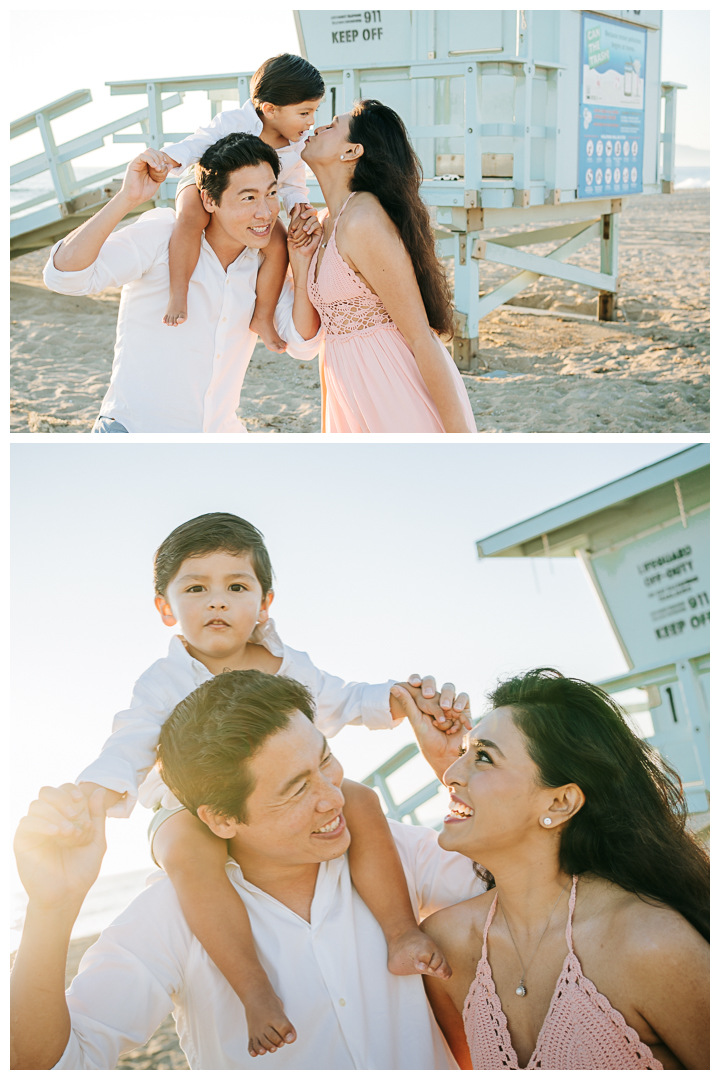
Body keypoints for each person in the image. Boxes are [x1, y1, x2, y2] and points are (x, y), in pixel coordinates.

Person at [72, 510, 470, 1057]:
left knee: (358, 797)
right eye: (196, 587)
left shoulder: (286, 664)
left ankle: (401, 931)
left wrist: (397, 698)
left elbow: (345, 698)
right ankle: (255, 991)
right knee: (188, 851)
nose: (217, 601)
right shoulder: (164, 680)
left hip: (282, 803)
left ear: (265, 601)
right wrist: (98, 791)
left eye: (236, 586)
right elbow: (131, 742)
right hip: (186, 808)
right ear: (166, 607)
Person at [11, 670, 485, 1070]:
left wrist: (458, 775)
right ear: (222, 819)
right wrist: (52, 909)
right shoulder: (169, 917)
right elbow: (47, 1064)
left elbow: (527, 891)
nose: (334, 797)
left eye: (326, 761)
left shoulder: (389, 846)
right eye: (298, 789)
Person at [390, 669, 710, 1070]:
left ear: (559, 804)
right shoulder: (447, 946)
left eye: (484, 757)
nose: (449, 774)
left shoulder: (650, 944)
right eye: (462, 755)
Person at [43, 134, 321, 433]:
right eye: (248, 197)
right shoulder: (162, 235)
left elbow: (303, 345)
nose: (265, 212)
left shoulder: (265, 263)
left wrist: (302, 261)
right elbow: (64, 276)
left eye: (271, 193)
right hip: (134, 434)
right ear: (209, 200)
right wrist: (128, 198)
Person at [293, 99, 477, 433]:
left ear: (352, 152)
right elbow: (309, 331)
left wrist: (460, 441)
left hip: (392, 388)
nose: (317, 127)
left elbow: (421, 336)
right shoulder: (326, 222)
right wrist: (300, 257)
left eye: (333, 125)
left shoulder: (364, 221)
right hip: (349, 391)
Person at [159, 53, 324, 350]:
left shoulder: (294, 146)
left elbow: (292, 184)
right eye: (304, 113)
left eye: (314, 112)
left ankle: (262, 316)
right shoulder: (234, 121)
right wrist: (171, 158)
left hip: (252, 201)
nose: (311, 122)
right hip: (205, 185)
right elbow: (198, 142)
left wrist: (299, 204)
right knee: (191, 218)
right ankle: (178, 293)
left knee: (278, 245)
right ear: (270, 109)